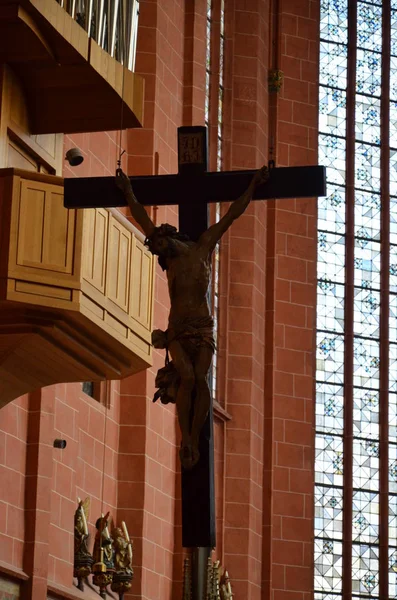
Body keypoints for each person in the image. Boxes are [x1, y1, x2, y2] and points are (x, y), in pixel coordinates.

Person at [116, 165, 269, 469]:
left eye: (158, 244)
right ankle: (186, 437)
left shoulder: (203, 247)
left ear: (168, 237)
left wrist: (253, 184)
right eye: (156, 247)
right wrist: (128, 191)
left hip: (202, 327)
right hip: (178, 327)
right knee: (186, 377)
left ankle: (194, 437)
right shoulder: (169, 258)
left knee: (199, 378)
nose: (158, 250)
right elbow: (144, 218)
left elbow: (231, 216)